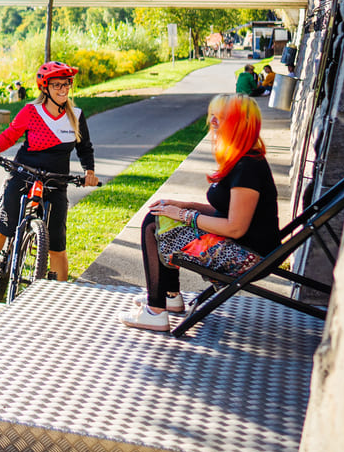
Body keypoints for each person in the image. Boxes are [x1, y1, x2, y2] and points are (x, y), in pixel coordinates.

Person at [120, 95, 280, 330]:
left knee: (154, 223)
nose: (212, 122)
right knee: (161, 215)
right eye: (212, 116)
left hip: (247, 257)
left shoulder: (248, 167)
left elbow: (235, 227)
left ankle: (155, 312)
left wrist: (185, 216)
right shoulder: (242, 160)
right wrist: (186, 206)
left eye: (220, 117)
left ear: (238, 123)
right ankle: (169, 297)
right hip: (240, 248)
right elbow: (224, 211)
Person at [0, 61, 101, 286]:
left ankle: (60, 294)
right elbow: (11, 134)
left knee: (57, 246)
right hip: (24, 173)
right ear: (45, 88)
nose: (63, 90)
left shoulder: (76, 116)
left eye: (66, 84)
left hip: (56, 181)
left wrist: (89, 172)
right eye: (56, 85)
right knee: (3, 226)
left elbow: (84, 147)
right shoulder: (31, 112)